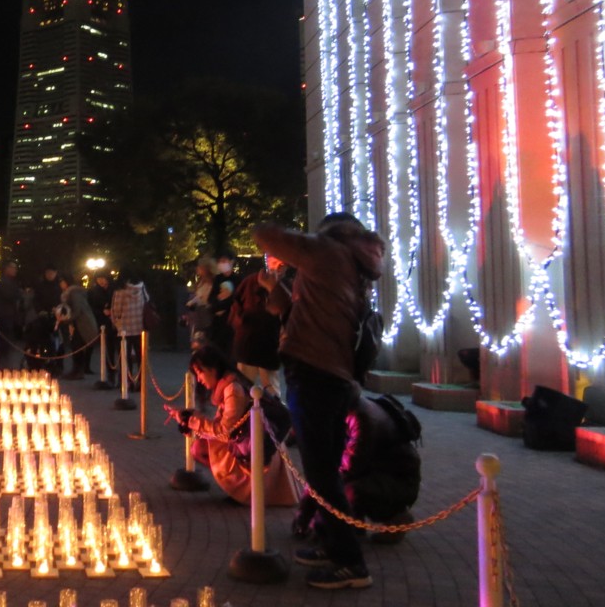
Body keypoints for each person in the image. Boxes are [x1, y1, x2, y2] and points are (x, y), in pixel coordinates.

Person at [252, 212, 385, 589]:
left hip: (314, 375)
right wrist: (273, 288)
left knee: (322, 473)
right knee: (323, 469)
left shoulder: (328, 252)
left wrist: (292, 243)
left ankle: (350, 563)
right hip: (332, 377)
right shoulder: (348, 266)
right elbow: (291, 314)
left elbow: (266, 233)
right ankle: (332, 543)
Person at [164, 345, 298, 506]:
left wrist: (192, 420)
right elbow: (222, 427)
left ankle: (245, 490)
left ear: (212, 369)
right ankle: (240, 490)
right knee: (200, 447)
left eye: (200, 372)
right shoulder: (226, 385)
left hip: (255, 447)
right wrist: (188, 419)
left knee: (203, 448)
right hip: (248, 442)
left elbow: (224, 431)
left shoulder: (232, 389)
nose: (198, 379)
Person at [293, 389, 421, 544]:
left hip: (398, 480)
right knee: (339, 480)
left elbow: (345, 470)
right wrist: (304, 512)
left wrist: (318, 522)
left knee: (350, 490)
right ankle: (352, 526)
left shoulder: (362, 419)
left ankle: (395, 516)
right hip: (375, 472)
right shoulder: (347, 409)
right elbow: (326, 465)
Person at [228, 255, 284, 398]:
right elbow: (236, 306)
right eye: (274, 261)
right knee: (244, 391)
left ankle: (273, 417)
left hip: (269, 345)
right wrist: (241, 321)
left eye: (282, 264)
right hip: (249, 343)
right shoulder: (251, 282)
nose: (278, 267)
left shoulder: (284, 286)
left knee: (272, 393)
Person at [56, 273, 98, 379]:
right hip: (78, 323)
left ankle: (77, 371)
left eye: (62, 282)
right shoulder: (71, 293)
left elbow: (77, 310)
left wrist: (66, 319)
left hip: (83, 323)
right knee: (76, 346)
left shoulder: (74, 293)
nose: (60, 284)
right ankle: (77, 370)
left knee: (77, 347)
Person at [110, 268, 147, 383]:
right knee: (141, 357)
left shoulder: (120, 291)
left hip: (125, 328)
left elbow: (116, 310)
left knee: (126, 358)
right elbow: (147, 300)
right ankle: (141, 382)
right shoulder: (142, 287)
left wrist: (115, 321)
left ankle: (127, 383)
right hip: (140, 326)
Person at [0, 260, 24, 369]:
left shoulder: (10, 282)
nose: (15, 270)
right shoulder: (4, 282)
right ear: (7, 269)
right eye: (13, 268)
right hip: (3, 317)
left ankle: (0, 366)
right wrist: (19, 294)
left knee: (4, 345)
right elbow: (11, 296)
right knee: (2, 345)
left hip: (6, 316)